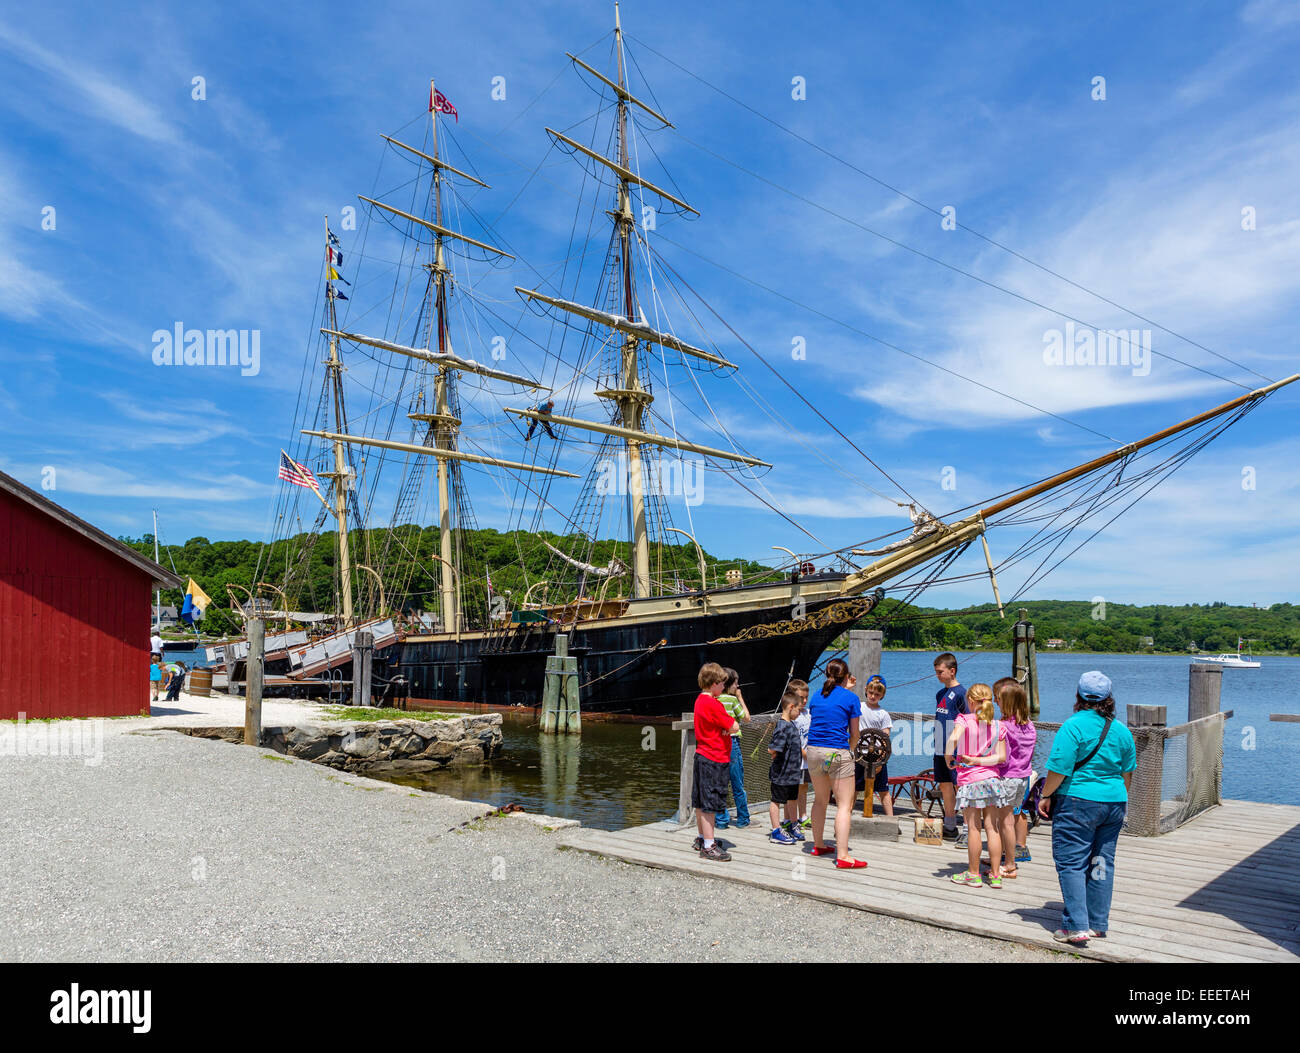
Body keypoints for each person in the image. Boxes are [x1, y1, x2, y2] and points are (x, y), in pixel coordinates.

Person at [1038, 671, 1136, 945]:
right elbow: (1127, 772)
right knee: (1101, 862)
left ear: (1079, 696)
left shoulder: (1073, 726)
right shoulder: (1121, 730)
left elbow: (1058, 769)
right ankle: (1097, 923)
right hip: (1114, 802)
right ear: (1109, 699)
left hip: (1078, 802)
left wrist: (1045, 795)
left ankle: (1075, 926)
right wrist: (1114, 798)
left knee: (1072, 863)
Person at [945, 682, 1015, 888]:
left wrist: (949, 757)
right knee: (992, 828)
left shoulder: (964, 719)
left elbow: (953, 739)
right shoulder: (998, 725)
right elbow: (1001, 757)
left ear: (971, 701)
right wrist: (981, 761)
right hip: (992, 781)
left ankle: (973, 874)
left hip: (971, 781)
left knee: (973, 828)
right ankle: (995, 875)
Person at [804, 658, 866, 869]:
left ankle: (818, 845)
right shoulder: (851, 698)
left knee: (820, 800)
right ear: (846, 676)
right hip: (836, 752)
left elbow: (829, 708)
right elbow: (855, 734)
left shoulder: (815, 696)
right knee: (844, 806)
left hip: (813, 752)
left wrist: (845, 686)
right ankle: (843, 855)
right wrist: (850, 749)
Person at [690, 662, 740, 862]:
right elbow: (734, 725)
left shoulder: (699, 701)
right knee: (710, 803)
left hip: (702, 755)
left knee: (701, 801)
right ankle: (709, 846)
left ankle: (703, 838)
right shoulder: (713, 703)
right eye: (721, 683)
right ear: (713, 684)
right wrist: (728, 727)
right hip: (714, 757)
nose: (723, 687)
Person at [992, 676, 1036, 877]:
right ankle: (1001, 855)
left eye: (999, 699)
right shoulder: (1030, 726)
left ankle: (1009, 864)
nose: (995, 703)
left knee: (1006, 822)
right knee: (1010, 819)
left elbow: (998, 755)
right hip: (1022, 778)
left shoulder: (1004, 727)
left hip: (1007, 777)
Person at [932, 653, 968, 843]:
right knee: (945, 785)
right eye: (936, 672)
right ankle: (950, 825)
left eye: (940, 672)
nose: (937, 675)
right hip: (939, 746)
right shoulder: (940, 694)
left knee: (959, 786)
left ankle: (968, 828)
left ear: (952, 671)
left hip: (955, 749)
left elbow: (968, 721)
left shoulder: (962, 694)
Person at [767, 691, 806, 844]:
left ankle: (792, 824)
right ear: (791, 707)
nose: (799, 713)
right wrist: (773, 752)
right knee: (776, 800)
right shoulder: (783, 726)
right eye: (798, 709)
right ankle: (776, 830)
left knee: (792, 799)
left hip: (793, 773)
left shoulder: (791, 725)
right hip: (782, 773)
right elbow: (773, 748)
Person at [714, 668, 751, 830]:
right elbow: (747, 718)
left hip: (717, 744)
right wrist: (740, 698)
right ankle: (743, 819)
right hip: (732, 743)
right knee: (737, 783)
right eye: (736, 683)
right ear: (729, 684)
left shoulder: (714, 699)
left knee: (720, 783)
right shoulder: (732, 700)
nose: (738, 686)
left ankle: (721, 820)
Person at [857, 675, 894, 816]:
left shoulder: (883, 714)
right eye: (871, 692)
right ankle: (847, 816)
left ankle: (891, 819)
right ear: (866, 690)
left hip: (878, 757)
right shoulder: (858, 707)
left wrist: (882, 760)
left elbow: (885, 738)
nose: (873, 696)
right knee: (854, 788)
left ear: (882, 696)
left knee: (884, 790)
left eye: (877, 694)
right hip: (859, 755)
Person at [789, 678, 813, 827]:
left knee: (804, 786)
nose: (804, 701)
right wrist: (804, 753)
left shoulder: (809, 713)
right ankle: (790, 818)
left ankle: (803, 815)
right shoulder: (793, 716)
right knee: (793, 789)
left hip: (808, 759)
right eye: (801, 698)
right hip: (798, 759)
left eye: (806, 698)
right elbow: (793, 739)